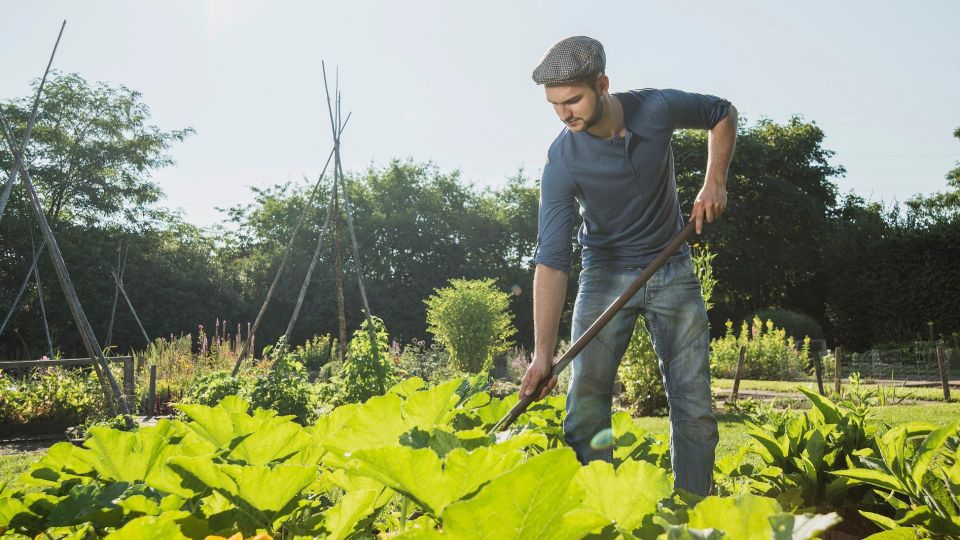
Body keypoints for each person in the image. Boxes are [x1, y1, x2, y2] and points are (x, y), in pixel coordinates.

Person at [517, 35, 737, 496]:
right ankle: (600, 513)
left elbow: (721, 112)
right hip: (604, 277)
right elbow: (553, 260)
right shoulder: (562, 160)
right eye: (554, 105)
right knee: (585, 406)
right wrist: (542, 354)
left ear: (602, 84)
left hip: (671, 268)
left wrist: (713, 181)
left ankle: (692, 515)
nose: (564, 115)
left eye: (573, 100)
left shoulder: (656, 108)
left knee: (693, 405)